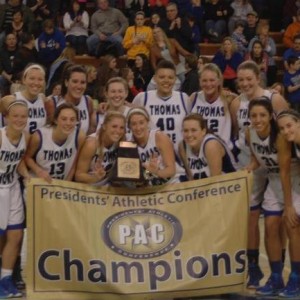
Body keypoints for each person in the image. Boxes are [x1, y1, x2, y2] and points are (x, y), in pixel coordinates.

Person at [230, 60, 288, 289]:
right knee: (250, 218)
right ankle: (253, 269)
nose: (245, 83)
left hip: (275, 163)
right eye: (241, 79)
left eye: (248, 79)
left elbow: (288, 129)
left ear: (258, 77)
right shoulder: (235, 103)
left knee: (279, 220)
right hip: (250, 161)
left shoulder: (274, 98)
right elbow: (239, 135)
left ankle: (279, 269)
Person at [246, 99, 299, 296]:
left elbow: (285, 171)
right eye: (253, 115)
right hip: (273, 180)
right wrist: (248, 169)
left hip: (291, 181)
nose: (258, 119)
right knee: (269, 227)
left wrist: (288, 205)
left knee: (292, 226)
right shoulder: (249, 133)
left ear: (270, 116)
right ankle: (276, 277)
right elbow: (255, 158)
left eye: (262, 115)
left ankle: (295, 278)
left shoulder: (280, 137)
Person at [132, 59, 191, 151]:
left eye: (170, 77)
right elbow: (128, 118)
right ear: (155, 78)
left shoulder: (184, 98)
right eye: (162, 77)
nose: (166, 80)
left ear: (175, 79)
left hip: (178, 155)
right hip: (151, 156)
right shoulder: (143, 98)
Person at [24, 102, 85, 182]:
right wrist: (38, 170)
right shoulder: (39, 136)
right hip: (38, 182)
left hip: (59, 185)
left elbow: (74, 164)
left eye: (72, 119)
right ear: (56, 120)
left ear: (77, 121)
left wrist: (66, 184)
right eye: (64, 119)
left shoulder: (79, 136)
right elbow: (26, 157)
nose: (68, 123)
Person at [127, 107, 184, 185]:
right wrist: (148, 172)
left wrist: (156, 172)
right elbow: (139, 178)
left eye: (141, 122)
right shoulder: (129, 145)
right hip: (153, 189)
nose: (138, 128)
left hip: (173, 183)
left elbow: (171, 170)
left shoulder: (159, 136)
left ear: (147, 122)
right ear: (129, 126)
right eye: (133, 124)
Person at [276, 109, 300, 298]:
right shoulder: (287, 140)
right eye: (282, 128)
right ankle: (296, 275)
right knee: (291, 222)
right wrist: (288, 205)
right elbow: (284, 172)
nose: (285, 131)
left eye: (289, 126)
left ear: (298, 122)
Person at [190, 63, 235, 150]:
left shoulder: (228, 99)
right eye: (204, 80)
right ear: (199, 81)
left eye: (212, 80)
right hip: (199, 150)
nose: (208, 84)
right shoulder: (194, 98)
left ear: (219, 81)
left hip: (223, 150)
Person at [179, 113, 236, 180]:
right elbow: (190, 178)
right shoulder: (182, 146)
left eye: (193, 130)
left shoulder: (211, 145)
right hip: (203, 187)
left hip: (230, 184)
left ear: (203, 131)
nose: (189, 135)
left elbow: (216, 179)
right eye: (185, 131)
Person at [75, 111, 126, 186]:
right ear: (104, 126)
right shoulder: (91, 144)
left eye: (121, 128)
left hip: (107, 187)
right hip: (88, 189)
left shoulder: (121, 142)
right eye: (114, 126)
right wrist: (95, 178)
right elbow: (78, 176)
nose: (118, 131)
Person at [46, 64, 94, 134]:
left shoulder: (88, 101)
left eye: (83, 82)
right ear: (66, 82)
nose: (79, 86)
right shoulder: (53, 103)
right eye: (75, 81)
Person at [1, 64, 48, 134]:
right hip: (19, 143)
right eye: (32, 78)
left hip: (38, 144)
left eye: (40, 79)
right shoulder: (11, 100)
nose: (36, 83)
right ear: (24, 80)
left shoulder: (43, 99)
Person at [248, 22, 277, 86]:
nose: (267, 30)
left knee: (272, 68)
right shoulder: (254, 40)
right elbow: (250, 51)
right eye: (265, 28)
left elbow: (273, 53)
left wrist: (266, 47)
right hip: (256, 61)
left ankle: (270, 87)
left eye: (267, 28)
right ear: (260, 29)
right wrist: (260, 49)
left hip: (268, 62)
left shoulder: (270, 40)